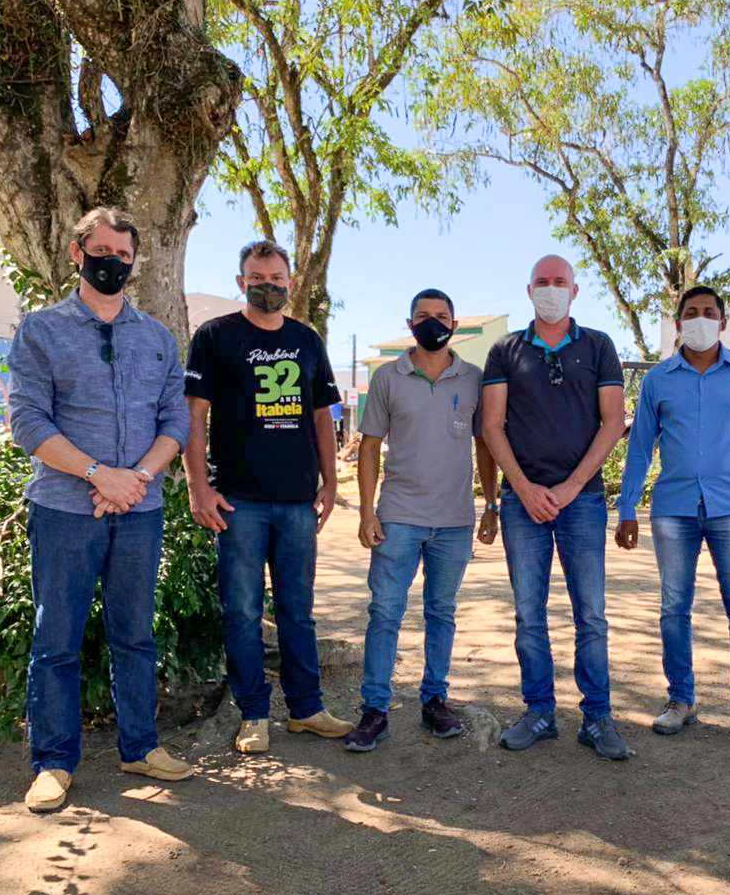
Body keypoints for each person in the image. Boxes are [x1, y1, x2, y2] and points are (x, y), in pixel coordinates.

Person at [8, 207, 194, 813]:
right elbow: (28, 421)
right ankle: (53, 764)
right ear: (76, 253)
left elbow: (176, 420)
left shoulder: (158, 337)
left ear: (134, 261)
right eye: (101, 251)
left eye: (122, 254)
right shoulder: (41, 330)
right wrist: (98, 474)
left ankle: (140, 747)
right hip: (65, 507)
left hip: (140, 507)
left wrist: (136, 478)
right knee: (56, 638)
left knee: (135, 635)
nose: (111, 262)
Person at [182, 240, 353, 755]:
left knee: (298, 612)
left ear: (291, 283)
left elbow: (323, 416)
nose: (269, 286)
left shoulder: (307, 339)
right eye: (259, 277)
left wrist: (331, 482)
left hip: (298, 502)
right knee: (241, 611)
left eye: (278, 278)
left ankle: (307, 709)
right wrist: (198, 486)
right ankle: (254, 713)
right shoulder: (214, 337)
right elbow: (195, 416)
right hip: (238, 502)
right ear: (241, 282)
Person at [615, 286, 730, 748]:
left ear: (723, 323)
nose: (700, 319)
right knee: (673, 608)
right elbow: (642, 445)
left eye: (709, 313)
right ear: (680, 321)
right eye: (691, 313)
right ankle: (680, 700)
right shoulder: (659, 379)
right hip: (674, 508)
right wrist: (627, 507)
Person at [481, 254, 628, 760]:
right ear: (529, 291)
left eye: (559, 282)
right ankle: (539, 712)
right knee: (528, 614)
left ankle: (597, 717)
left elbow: (613, 423)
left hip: (582, 502)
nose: (550, 289)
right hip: (522, 504)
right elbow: (492, 426)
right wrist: (521, 488)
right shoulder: (505, 350)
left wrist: (568, 489)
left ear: (575, 290)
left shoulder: (599, 346)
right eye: (541, 282)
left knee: (592, 614)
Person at [343, 289, 499, 752]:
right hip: (398, 518)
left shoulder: (473, 379)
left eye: (442, 316)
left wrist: (490, 504)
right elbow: (369, 446)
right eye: (424, 316)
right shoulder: (388, 377)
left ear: (455, 324)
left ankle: (435, 700)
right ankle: (375, 709)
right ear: (410, 324)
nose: (433, 322)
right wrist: (367, 512)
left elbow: (486, 444)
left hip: (454, 521)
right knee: (385, 612)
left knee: (441, 613)